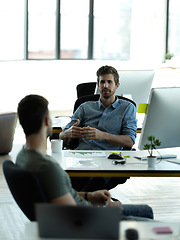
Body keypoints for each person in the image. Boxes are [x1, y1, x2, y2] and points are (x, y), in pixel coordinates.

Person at [16, 94, 153, 220]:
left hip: (61, 219)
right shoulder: (48, 168)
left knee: (146, 211)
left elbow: (59, 194)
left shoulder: (23, 157)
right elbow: (73, 216)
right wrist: (107, 209)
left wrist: (90, 196)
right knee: (150, 219)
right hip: (86, 224)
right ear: (47, 121)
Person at [59, 65, 137, 191]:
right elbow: (61, 136)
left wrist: (103, 135)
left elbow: (130, 141)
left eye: (109, 82)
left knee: (95, 181)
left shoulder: (127, 108)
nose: (105, 85)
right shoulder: (85, 107)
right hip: (81, 158)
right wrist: (68, 133)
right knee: (59, 177)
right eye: (102, 82)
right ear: (98, 85)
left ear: (117, 85)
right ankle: (86, 202)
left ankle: (84, 201)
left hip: (108, 160)